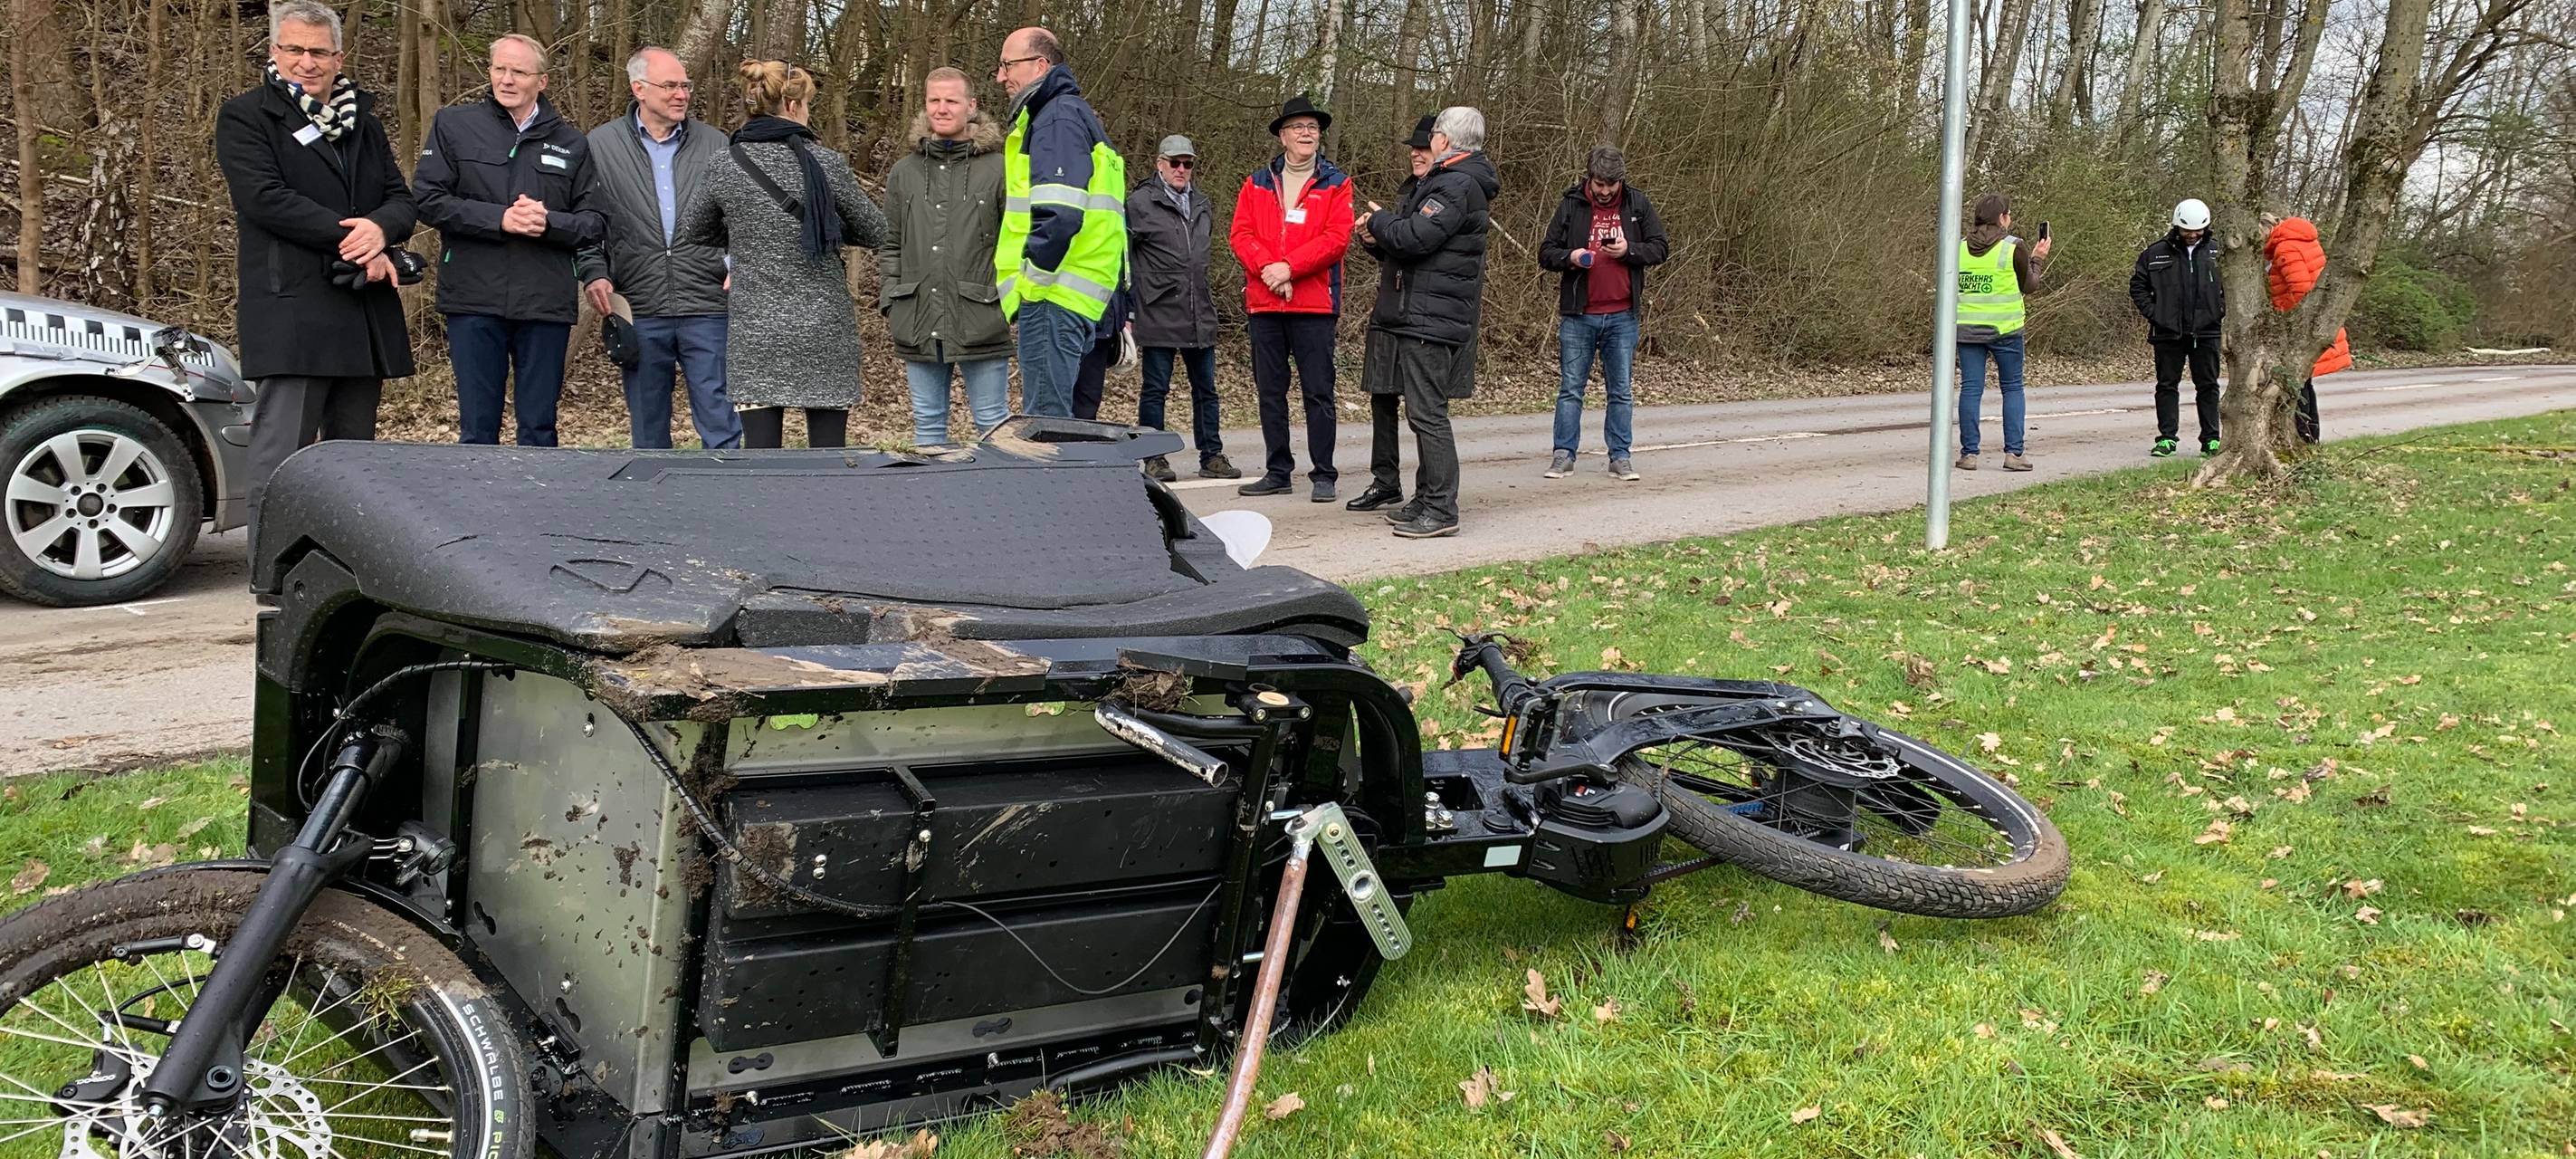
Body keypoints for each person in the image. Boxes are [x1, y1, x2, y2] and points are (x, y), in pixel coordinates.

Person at [215, 0, 417, 530]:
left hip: (361, 310)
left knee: (354, 463)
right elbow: (265, 199)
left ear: (338, 56)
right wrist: (357, 240)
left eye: (318, 52)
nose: (307, 61)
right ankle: (271, 571)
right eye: (294, 49)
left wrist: (381, 230)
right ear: (275, 51)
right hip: (293, 311)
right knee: (282, 457)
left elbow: (400, 198)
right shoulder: (247, 116)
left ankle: (340, 571)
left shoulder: (364, 124)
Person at [673, 60, 888, 448]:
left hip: (756, 332)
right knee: (828, 460)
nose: (808, 113)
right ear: (792, 107)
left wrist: (743, 232)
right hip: (823, 330)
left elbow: (693, 229)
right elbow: (876, 230)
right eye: (807, 104)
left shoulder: (725, 164)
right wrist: (827, 228)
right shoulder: (825, 164)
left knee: (761, 462)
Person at [415, 34, 606, 446]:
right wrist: (499, 219)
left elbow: (595, 222)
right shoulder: (454, 125)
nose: (506, 79)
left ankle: (538, 509)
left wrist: (548, 223)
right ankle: (477, 510)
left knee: (539, 428)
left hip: (544, 302)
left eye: (518, 71)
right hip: (473, 297)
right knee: (478, 429)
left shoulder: (572, 143)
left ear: (542, 81)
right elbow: (428, 201)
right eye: (499, 69)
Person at [577, 47, 740, 450]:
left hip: (707, 301)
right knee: (648, 425)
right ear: (639, 89)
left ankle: (731, 501)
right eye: (670, 86)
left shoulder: (715, 143)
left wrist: (740, 261)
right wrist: (593, 270)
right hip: (638, 301)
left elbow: (740, 214)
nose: (681, 94)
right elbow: (586, 219)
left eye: (685, 85)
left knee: (720, 418)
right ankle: (653, 507)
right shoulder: (600, 145)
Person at [1357, 107, 1499, 540]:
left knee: (1427, 414)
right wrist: (1378, 239)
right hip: (1419, 311)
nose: (1429, 140)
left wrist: (1381, 220)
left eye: (1434, 133)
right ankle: (1424, 497)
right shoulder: (1449, 181)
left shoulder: (1457, 184)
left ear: (1445, 140)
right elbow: (1417, 251)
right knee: (1422, 412)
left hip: (1430, 318)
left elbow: (1415, 237)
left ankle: (1442, 508)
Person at [993, 27, 1125, 418]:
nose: (1001, 77)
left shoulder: (1055, 119)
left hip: (1053, 295)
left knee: (1047, 427)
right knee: (1064, 425)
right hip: (1075, 296)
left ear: (1040, 65)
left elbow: (1061, 214)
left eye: (1007, 65)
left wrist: (1032, 282)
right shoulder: (1073, 115)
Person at [1229, 94, 1354, 503]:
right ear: (1282, 136)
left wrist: (1290, 269)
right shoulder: (1257, 182)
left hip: (1314, 305)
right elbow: (1241, 236)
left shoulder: (1336, 182)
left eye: (1313, 128)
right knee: (1270, 391)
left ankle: (1324, 474)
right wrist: (1270, 269)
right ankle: (1277, 470)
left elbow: (1336, 239)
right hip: (1265, 303)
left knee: (1319, 391)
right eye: (1298, 127)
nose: (1306, 133)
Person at [880, 66, 1012, 446]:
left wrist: (1007, 301)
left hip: (982, 315)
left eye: (951, 100)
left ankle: (999, 503)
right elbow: (890, 242)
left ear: (971, 106)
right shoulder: (904, 172)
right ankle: (930, 504)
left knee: (993, 424)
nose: (941, 108)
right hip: (917, 315)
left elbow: (1016, 243)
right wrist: (892, 297)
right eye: (934, 100)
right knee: (928, 423)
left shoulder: (1000, 169)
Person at [1536, 145, 1668, 482]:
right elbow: (1546, 252)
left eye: (1612, 185)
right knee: (1570, 388)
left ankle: (1620, 457)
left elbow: (1661, 247)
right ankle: (1563, 455)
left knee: (1620, 391)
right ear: (1589, 179)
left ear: (1620, 181)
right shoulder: (1571, 203)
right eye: (1600, 185)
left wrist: (1630, 250)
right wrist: (1572, 257)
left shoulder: (1637, 204)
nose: (1606, 191)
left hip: (1623, 315)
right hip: (1578, 315)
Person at [1126, 134, 1236, 481]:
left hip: (1198, 309)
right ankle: (1153, 457)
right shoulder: (1140, 202)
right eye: (1175, 163)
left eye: (1187, 163)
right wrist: (1128, 307)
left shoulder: (1202, 203)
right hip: (1158, 309)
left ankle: (1212, 455)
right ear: (1160, 164)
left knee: (1207, 390)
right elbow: (1124, 259)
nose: (1181, 169)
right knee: (1155, 388)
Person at [1346, 115, 1437, 518]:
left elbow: (1420, 247)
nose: (1416, 154)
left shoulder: (1445, 197)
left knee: (1423, 407)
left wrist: (1387, 226)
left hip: (1421, 315)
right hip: (1389, 306)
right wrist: (1372, 239)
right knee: (1382, 396)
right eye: (1413, 148)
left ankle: (1427, 491)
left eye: (1424, 147)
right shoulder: (1410, 191)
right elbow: (1396, 250)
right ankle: (1385, 482)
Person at [1951, 192, 2051, 472]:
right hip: (2006, 330)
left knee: (1971, 389)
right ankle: (2014, 454)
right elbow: (2029, 286)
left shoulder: (1957, 247)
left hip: (1967, 330)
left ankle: (1969, 454)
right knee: (2012, 389)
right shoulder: (2013, 246)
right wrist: (2038, 259)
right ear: (2003, 218)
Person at [2130, 197, 2227, 457]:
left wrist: (2218, 311)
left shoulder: (2219, 252)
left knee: (2208, 386)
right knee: (2166, 385)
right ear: (2177, 227)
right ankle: (2167, 438)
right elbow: (2138, 287)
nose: (2193, 235)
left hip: (2206, 332)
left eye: (2198, 230)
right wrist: (2155, 314)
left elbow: (2232, 289)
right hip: (2167, 333)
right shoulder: (2155, 253)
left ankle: (2211, 439)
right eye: (2187, 230)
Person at [2263, 214, 2351, 445]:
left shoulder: (2286, 249)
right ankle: (2309, 436)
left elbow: (2300, 290)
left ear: (2267, 229)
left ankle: (2305, 435)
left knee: (2298, 384)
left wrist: (2279, 313)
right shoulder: (2302, 240)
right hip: (2315, 322)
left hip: (2301, 327)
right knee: (2303, 382)